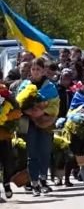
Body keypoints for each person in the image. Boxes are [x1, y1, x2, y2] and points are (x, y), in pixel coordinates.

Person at [17, 58, 60, 196]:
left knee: (45, 152)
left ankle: (43, 179)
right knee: (32, 154)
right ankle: (34, 183)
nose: (35, 72)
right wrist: (29, 111)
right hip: (29, 123)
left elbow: (55, 104)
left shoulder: (50, 86)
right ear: (30, 70)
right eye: (33, 69)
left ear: (43, 71)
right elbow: (18, 103)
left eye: (38, 69)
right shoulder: (25, 85)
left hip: (46, 123)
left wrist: (43, 112)